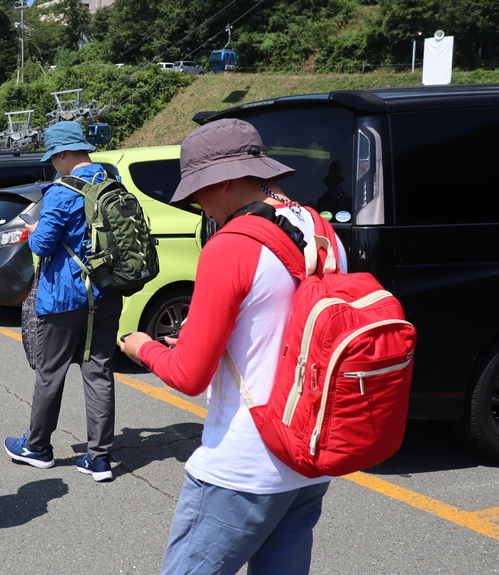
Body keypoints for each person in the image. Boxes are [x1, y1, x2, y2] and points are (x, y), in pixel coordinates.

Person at [119, 118, 346, 575]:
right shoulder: (321, 230)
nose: (199, 204)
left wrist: (142, 347)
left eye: (198, 192)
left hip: (245, 462)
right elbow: (280, 324)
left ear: (222, 183)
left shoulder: (231, 246)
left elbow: (187, 374)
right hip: (307, 454)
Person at [3, 121, 122, 482]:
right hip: (107, 292)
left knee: (50, 372)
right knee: (98, 371)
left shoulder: (62, 191)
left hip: (65, 297)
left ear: (65, 154)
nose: (53, 164)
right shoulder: (112, 182)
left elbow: (41, 247)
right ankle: (99, 459)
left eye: (54, 157)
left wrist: (36, 231)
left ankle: (37, 447)